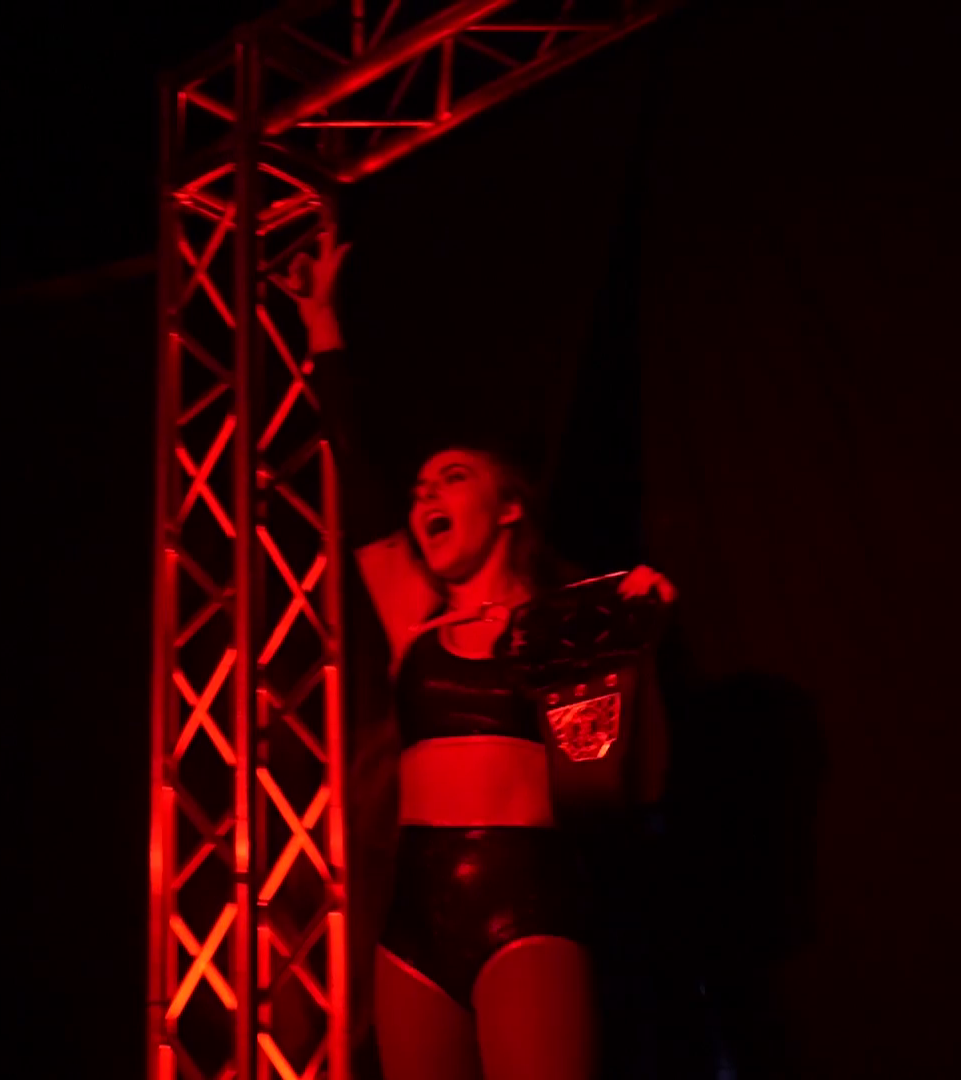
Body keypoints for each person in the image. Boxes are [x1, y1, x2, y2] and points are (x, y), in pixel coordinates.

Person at [286, 228, 676, 1080]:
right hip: (414, 915)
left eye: (453, 477)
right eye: (422, 486)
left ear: (507, 508)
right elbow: (356, 467)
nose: (426, 491)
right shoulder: (412, 618)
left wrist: (636, 632)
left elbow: (632, 782)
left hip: (526, 898)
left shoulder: (564, 624)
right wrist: (322, 326)